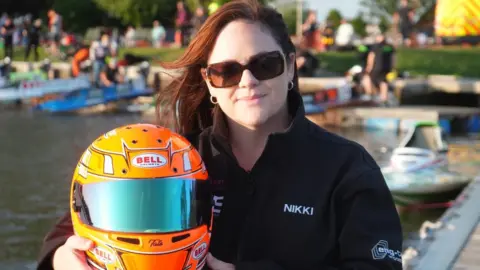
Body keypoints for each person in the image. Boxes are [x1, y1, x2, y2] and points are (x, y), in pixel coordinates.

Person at [36, 1, 403, 270]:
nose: (248, 81)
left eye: (265, 64)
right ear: (209, 83)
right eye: (227, 71)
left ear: (291, 68)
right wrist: (60, 258)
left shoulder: (347, 168)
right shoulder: (177, 159)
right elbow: (73, 223)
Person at [363, 34, 396, 104]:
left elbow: (371, 56)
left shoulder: (375, 46)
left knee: (368, 78)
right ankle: (384, 98)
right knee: (383, 82)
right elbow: (394, 57)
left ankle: (370, 96)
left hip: (376, 67)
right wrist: (393, 67)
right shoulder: (389, 47)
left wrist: (369, 67)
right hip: (386, 68)